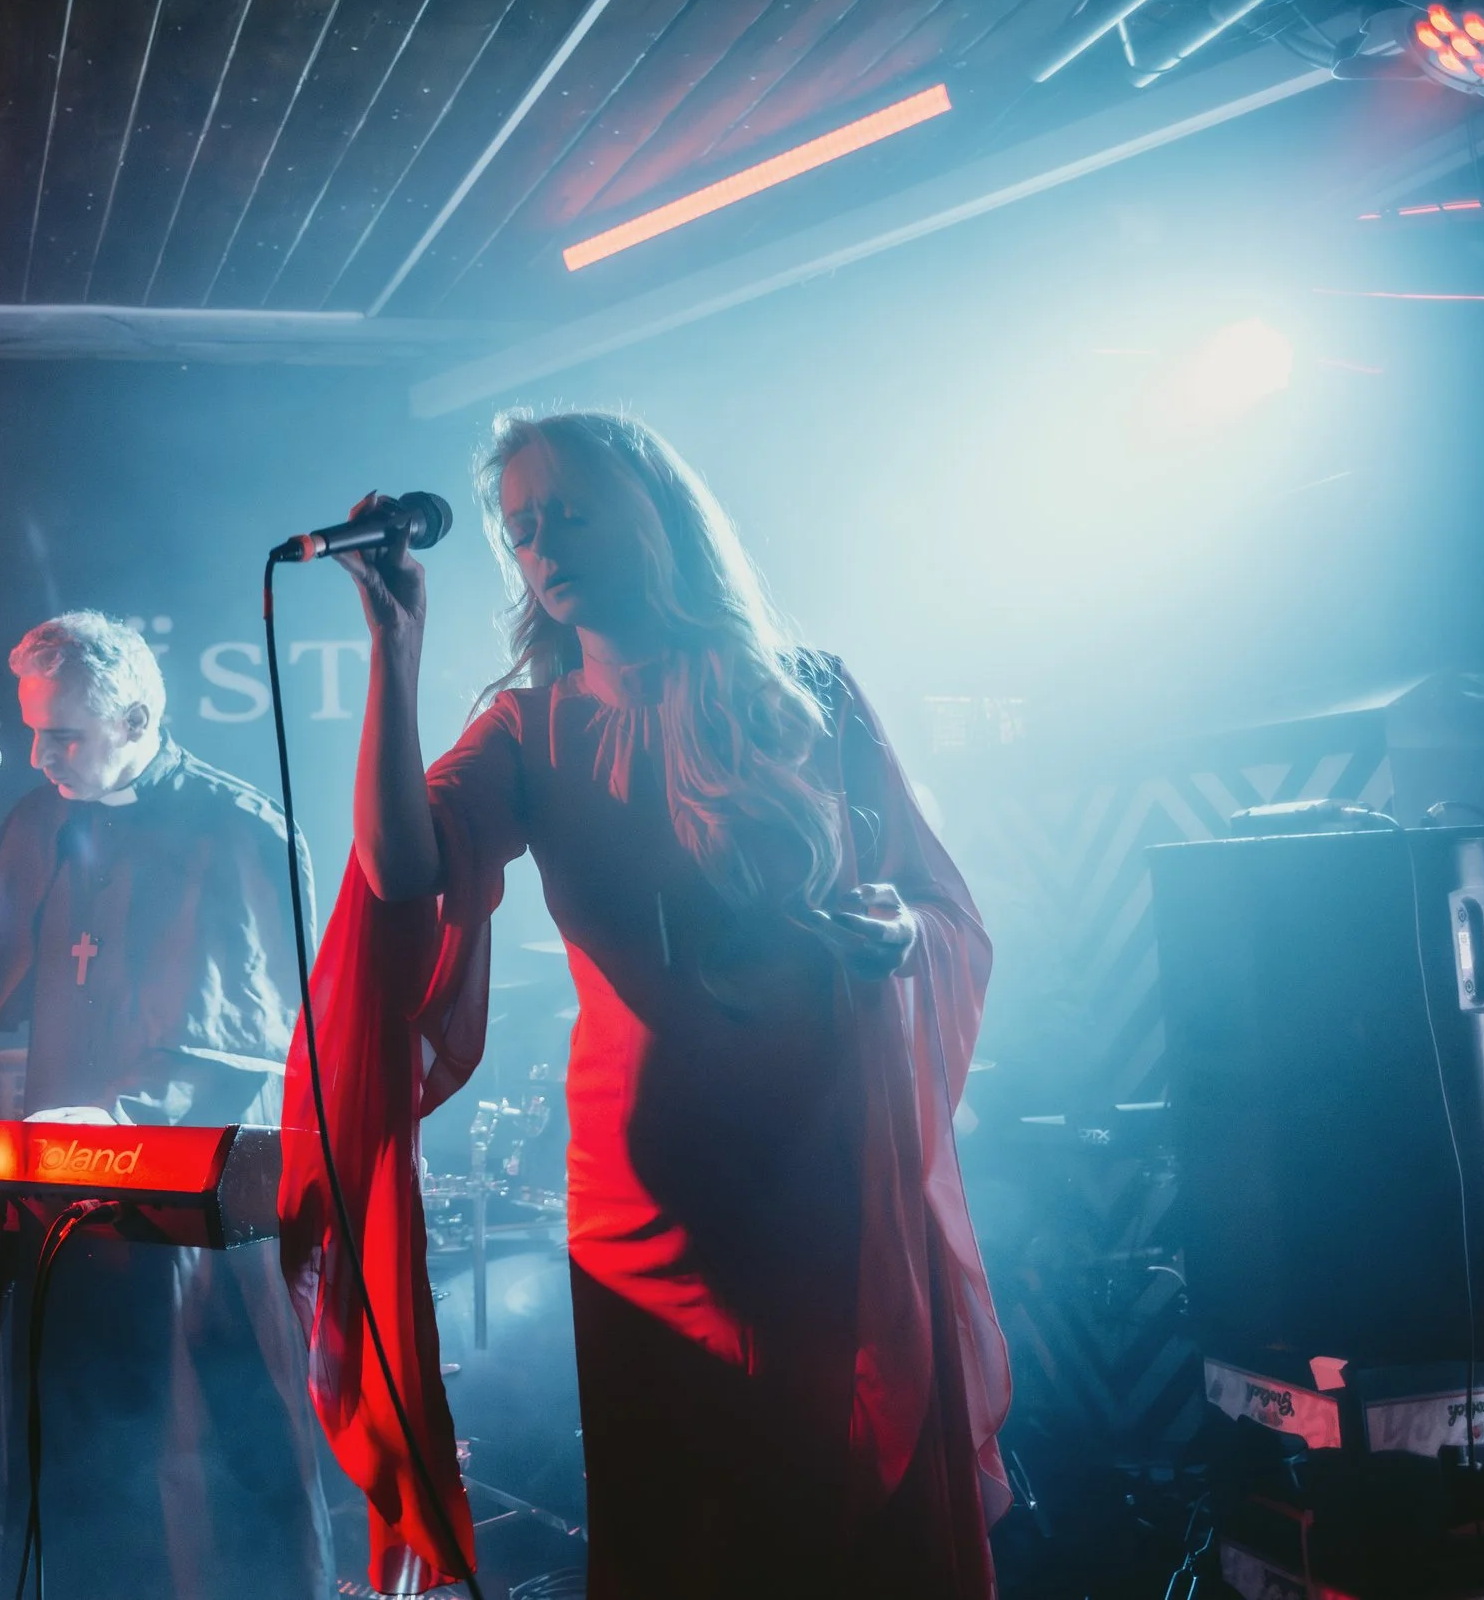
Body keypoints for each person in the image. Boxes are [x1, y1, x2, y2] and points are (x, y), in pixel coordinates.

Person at [290, 412, 1010, 1597]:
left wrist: (893, 933)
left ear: (660, 515)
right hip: (645, 1198)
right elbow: (400, 871)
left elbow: (943, 913)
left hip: (821, 1174)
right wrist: (394, 654)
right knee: (686, 1530)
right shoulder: (527, 726)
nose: (543, 544)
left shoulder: (810, 693)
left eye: (569, 512)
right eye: (520, 530)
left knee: (839, 1511)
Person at [0, 610, 334, 1600]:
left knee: (210, 1450)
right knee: (77, 1443)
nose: (39, 754)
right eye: (34, 730)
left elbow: (259, 1029)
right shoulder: (40, 819)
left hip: (206, 1207)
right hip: (67, 1191)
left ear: (134, 717)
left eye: (65, 734)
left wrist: (127, 1122)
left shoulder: (242, 828)